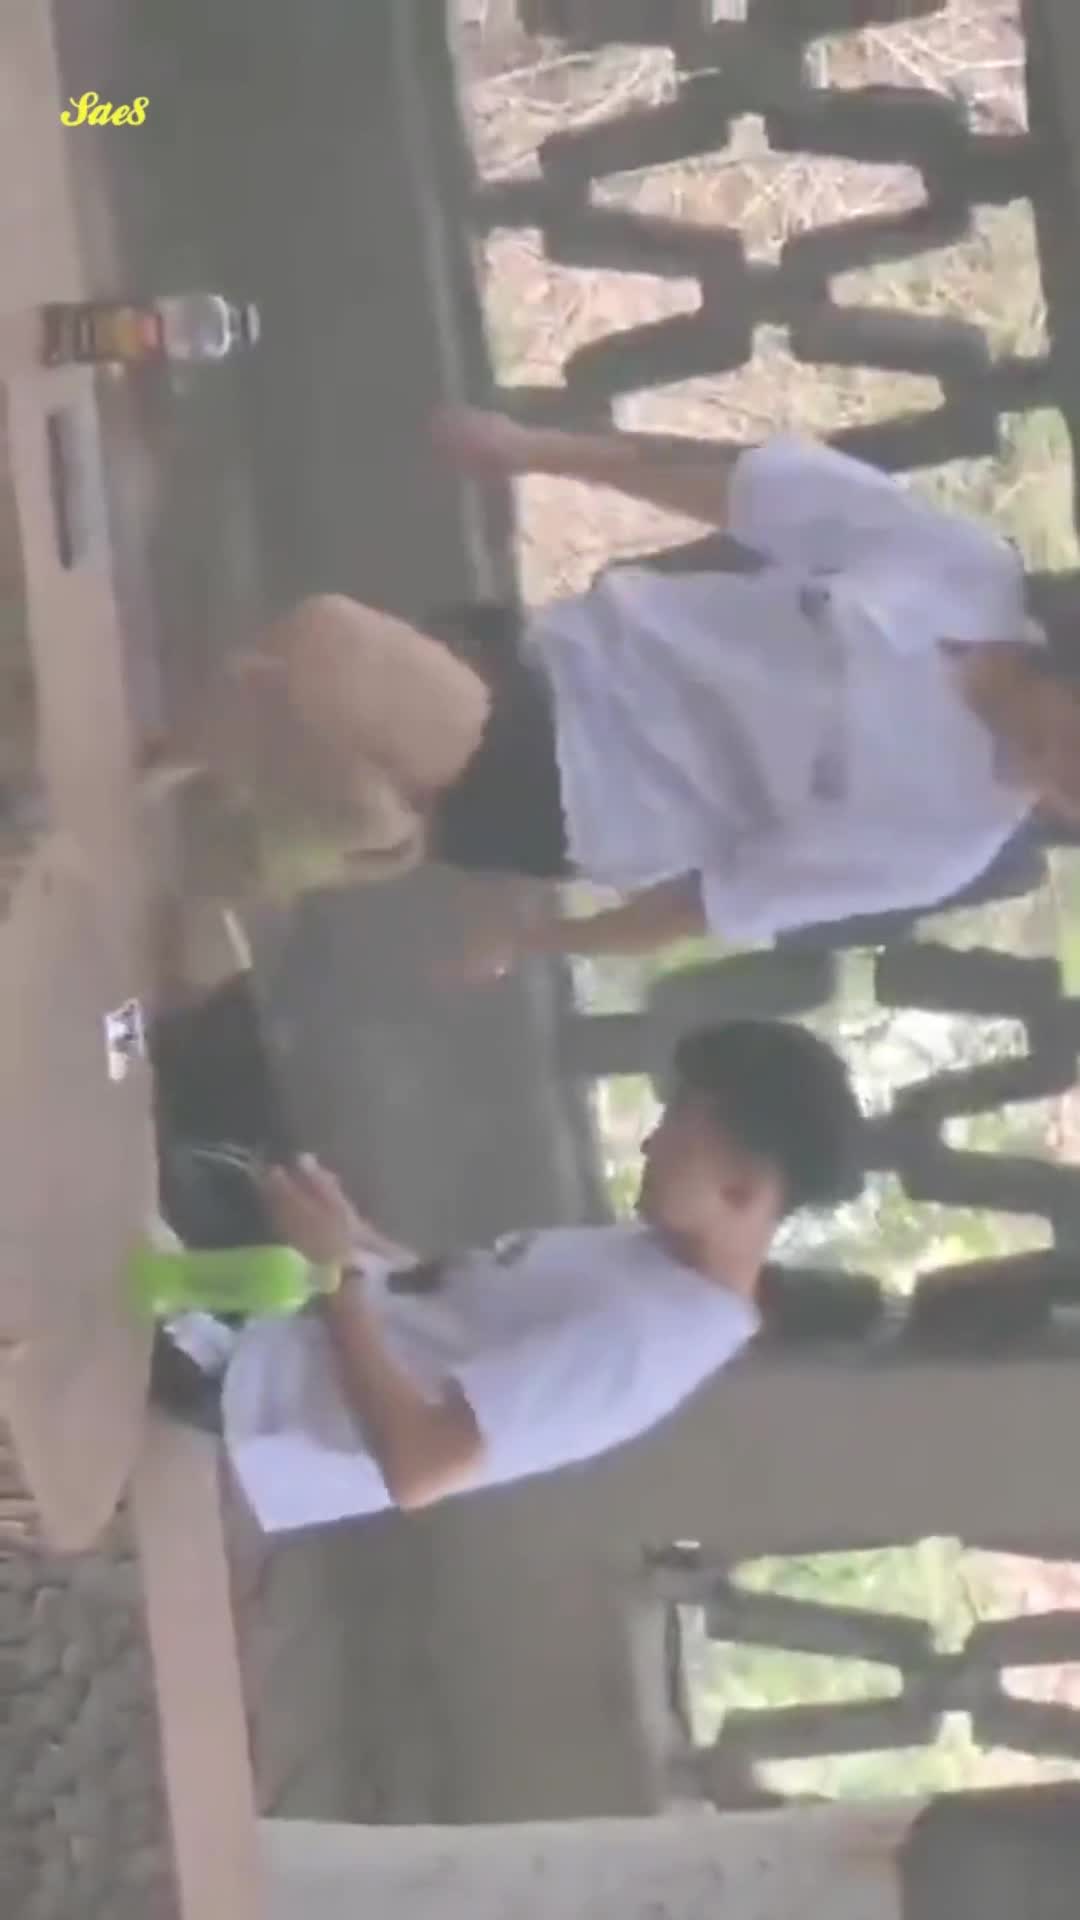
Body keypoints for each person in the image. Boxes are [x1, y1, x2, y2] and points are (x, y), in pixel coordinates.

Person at [150, 1010, 865, 1535]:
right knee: (205, 1070)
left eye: (679, 1125)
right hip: (291, 1304)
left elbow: (419, 1467)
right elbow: (450, 1311)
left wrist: (336, 1272)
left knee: (130, 1189)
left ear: (742, 1188)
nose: (651, 1141)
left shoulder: (640, 1340)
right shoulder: (660, 1259)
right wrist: (354, 1234)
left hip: (253, 1371)